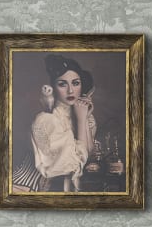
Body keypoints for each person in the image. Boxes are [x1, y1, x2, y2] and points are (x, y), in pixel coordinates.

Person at [12, 54, 97, 192]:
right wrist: (82, 121)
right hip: (24, 190)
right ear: (53, 87)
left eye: (76, 83)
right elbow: (74, 165)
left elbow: (89, 156)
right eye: (62, 84)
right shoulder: (46, 120)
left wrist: (84, 118)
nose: (70, 90)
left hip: (59, 191)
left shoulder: (84, 115)